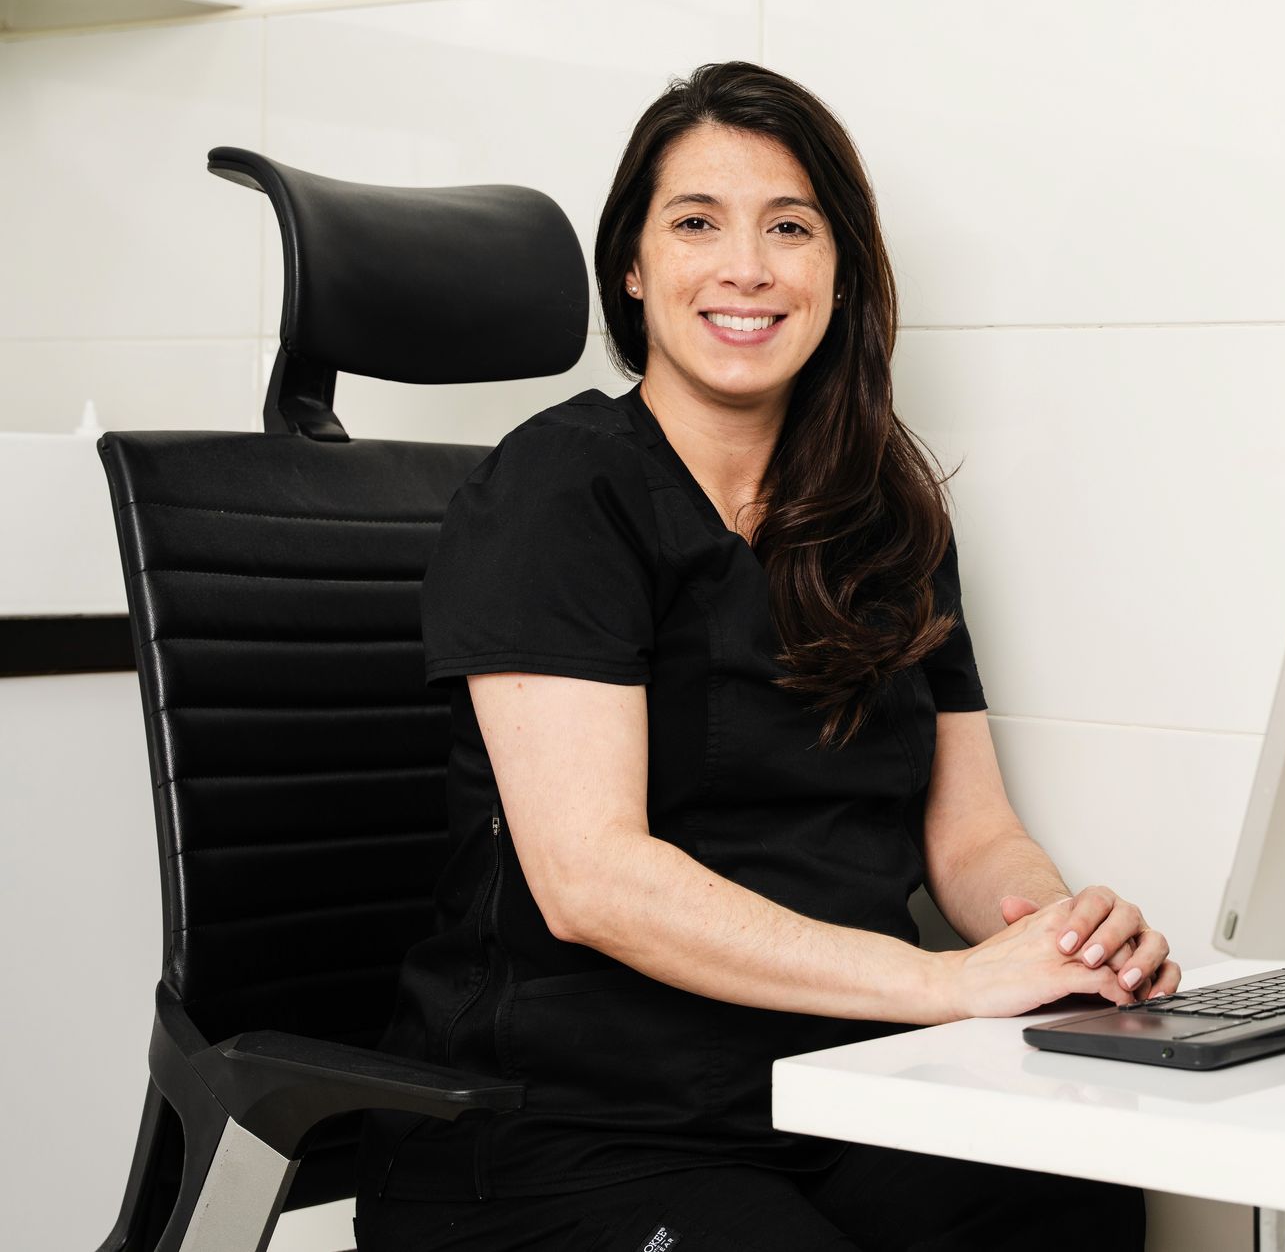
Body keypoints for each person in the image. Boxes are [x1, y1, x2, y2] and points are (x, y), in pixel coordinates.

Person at [354, 61, 1174, 1251]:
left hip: (826, 1095)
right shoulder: (558, 490)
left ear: (838, 274)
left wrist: (1052, 939)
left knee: (1078, 1198)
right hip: (566, 1127)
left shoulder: (885, 505)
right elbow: (592, 884)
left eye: (788, 227)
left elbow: (969, 832)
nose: (746, 266)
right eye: (696, 223)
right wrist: (945, 985)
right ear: (632, 271)